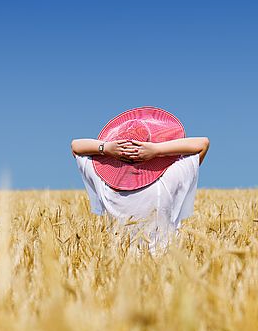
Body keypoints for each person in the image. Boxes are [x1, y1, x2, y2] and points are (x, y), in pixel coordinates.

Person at [71, 107, 209, 254]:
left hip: (119, 268)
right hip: (166, 267)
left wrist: (106, 148)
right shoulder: (168, 180)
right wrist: (156, 150)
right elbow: (202, 144)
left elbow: (76, 146)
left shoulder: (103, 184)